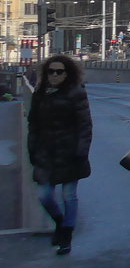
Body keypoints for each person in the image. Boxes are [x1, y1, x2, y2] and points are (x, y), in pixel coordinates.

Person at [26, 54, 92, 255]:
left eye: (59, 71)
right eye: (51, 71)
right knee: (44, 195)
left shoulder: (76, 93)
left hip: (70, 152)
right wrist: (33, 149)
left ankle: (66, 236)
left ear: (67, 73)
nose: (54, 75)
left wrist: (81, 151)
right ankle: (60, 223)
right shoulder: (40, 93)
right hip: (46, 153)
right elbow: (33, 124)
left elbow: (85, 126)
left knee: (68, 195)